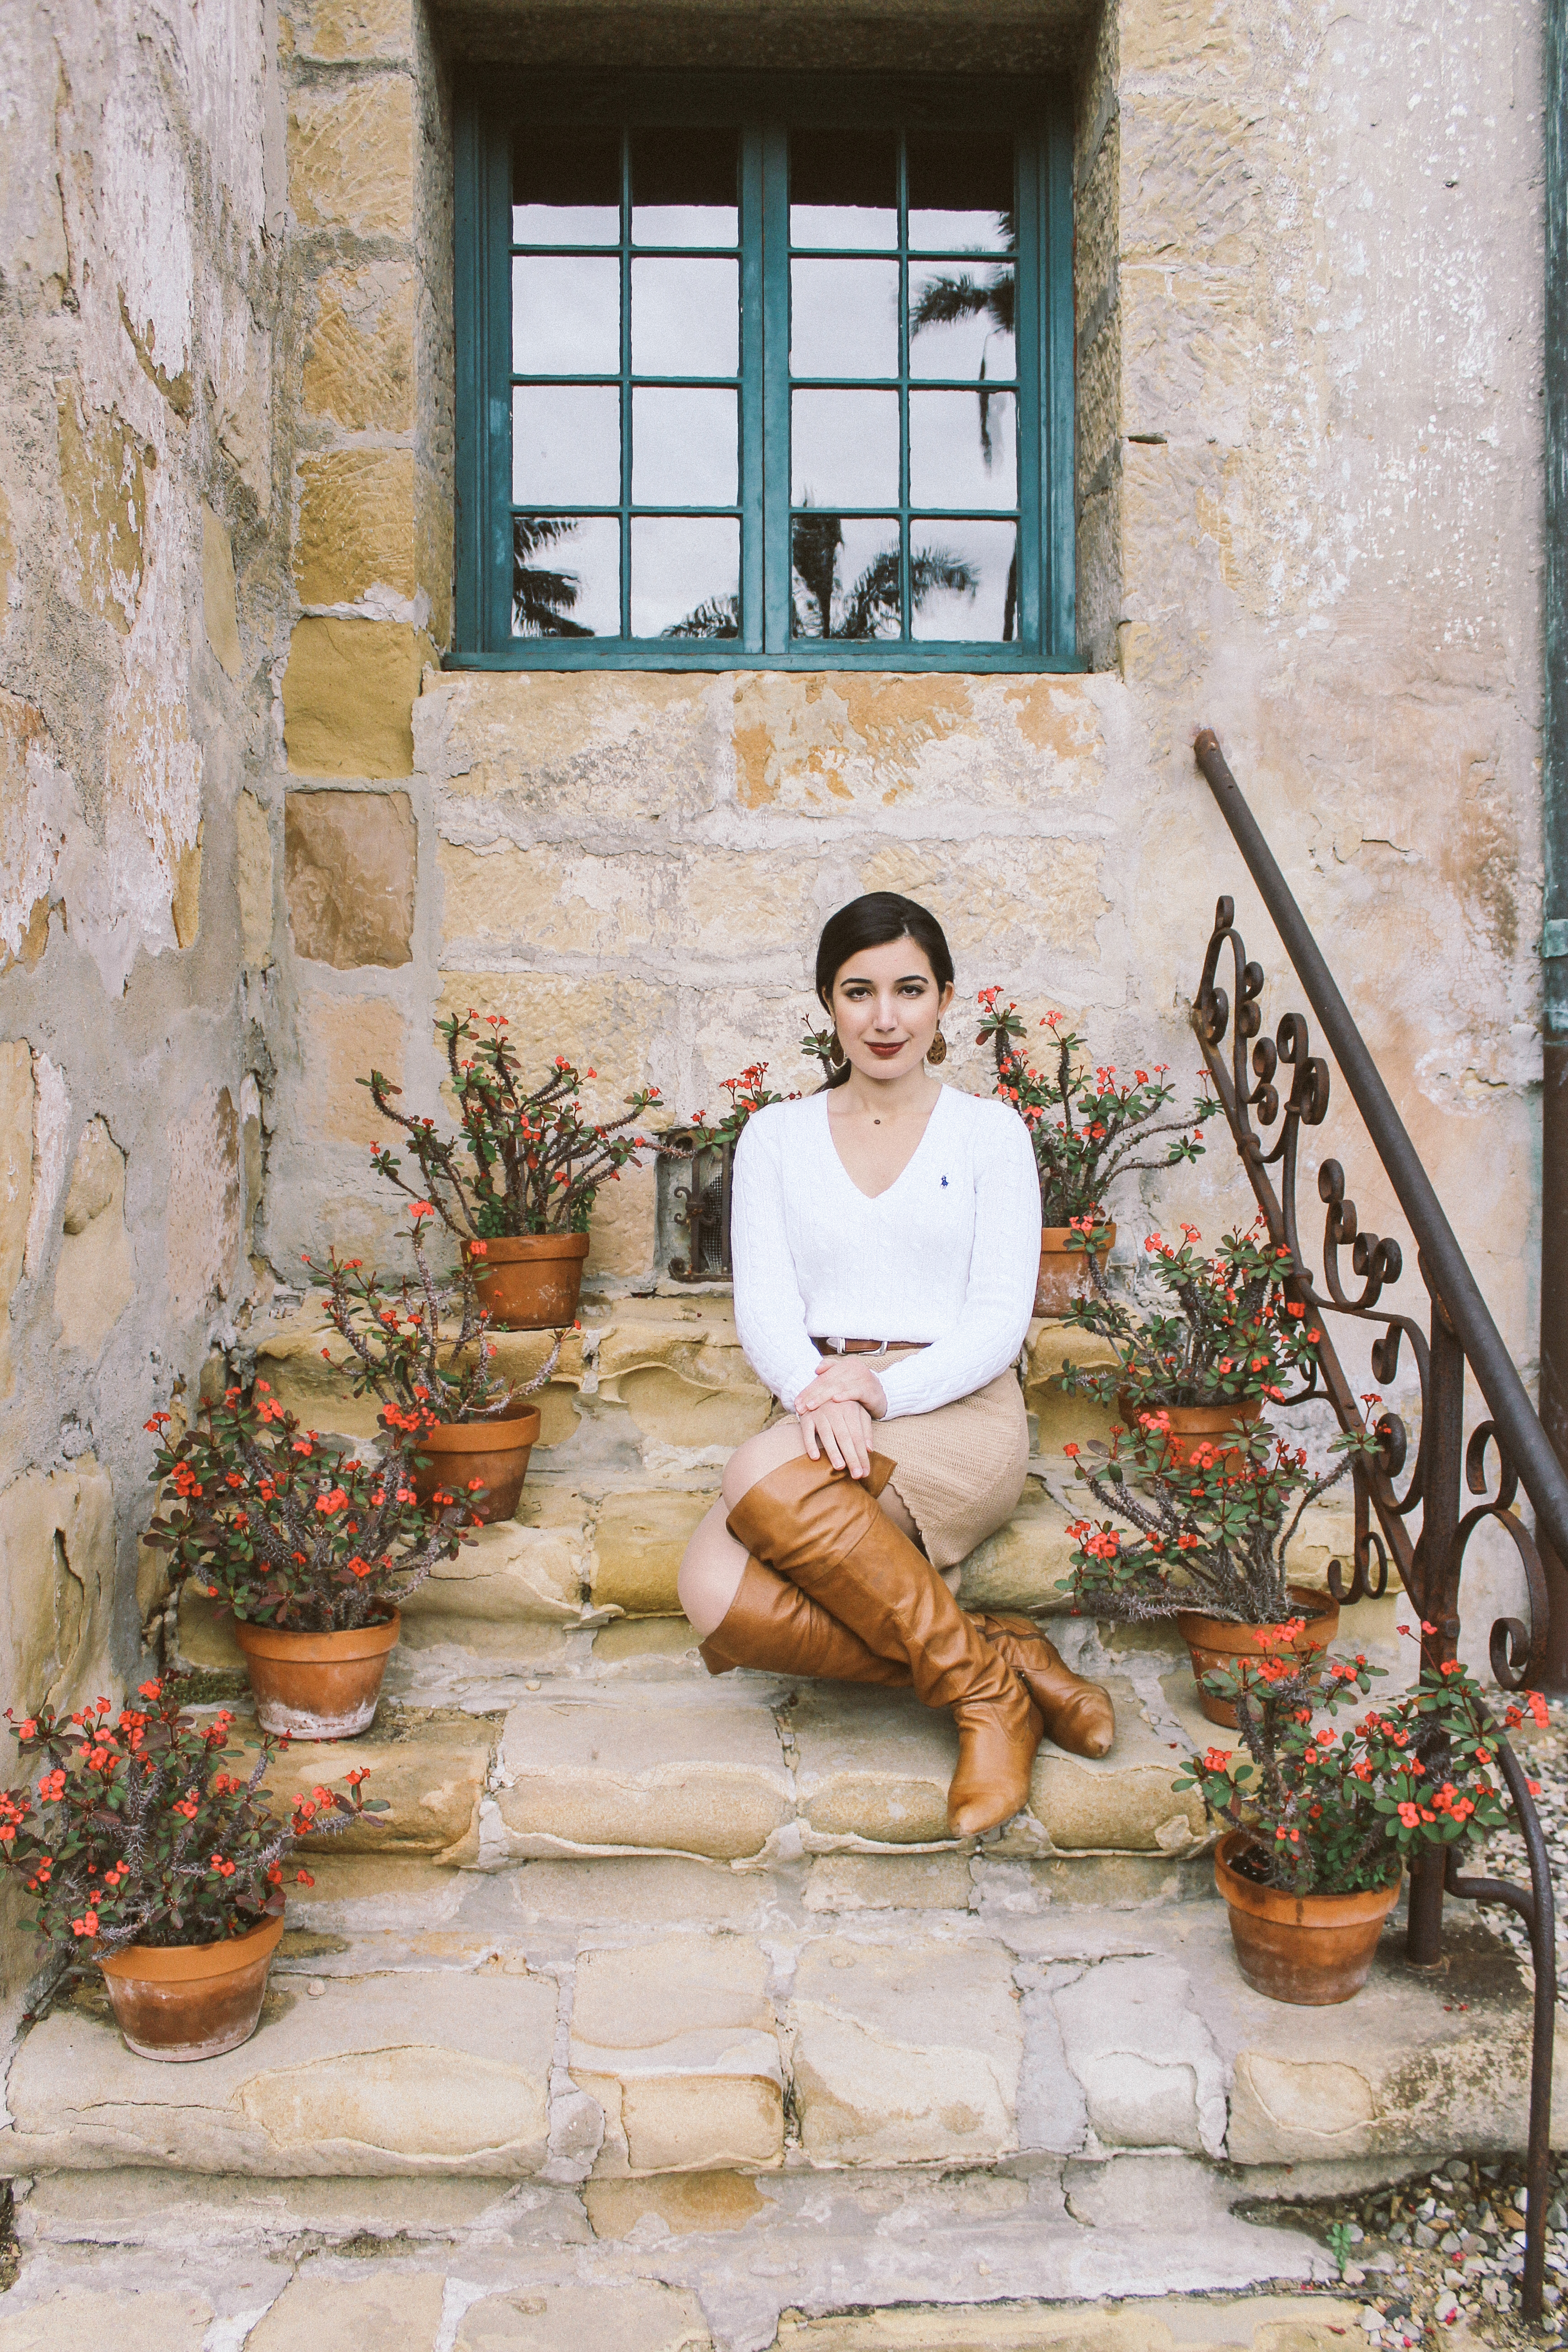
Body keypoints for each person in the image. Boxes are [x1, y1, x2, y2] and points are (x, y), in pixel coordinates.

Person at [677, 892, 1115, 1839]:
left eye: (909, 990)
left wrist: (878, 1390)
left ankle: (983, 1705)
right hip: (824, 1396)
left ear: (945, 999)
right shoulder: (776, 1136)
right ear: (828, 1004)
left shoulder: (990, 1133)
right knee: (710, 1594)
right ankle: (998, 1666)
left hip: (955, 1406)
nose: (885, 1017)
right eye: (859, 991)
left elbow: (997, 1322)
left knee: (756, 1470)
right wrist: (818, 1392)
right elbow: (766, 1308)